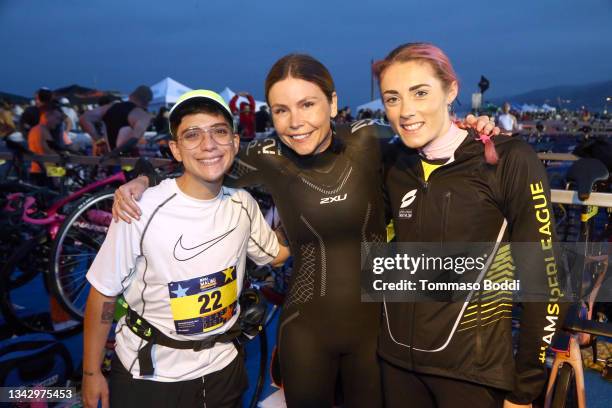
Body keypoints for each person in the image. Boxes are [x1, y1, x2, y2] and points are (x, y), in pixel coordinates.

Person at [112, 54, 497, 408]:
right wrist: (141, 179)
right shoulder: (269, 157)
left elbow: (425, 132)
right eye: (281, 110)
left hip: (378, 331)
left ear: (331, 103)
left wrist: (472, 127)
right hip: (306, 333)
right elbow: (202, 160)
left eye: (307, 104)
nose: (295, 122)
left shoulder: (367, 139)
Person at [375, 42, 565, 408]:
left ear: (451, 90)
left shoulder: (507, 160)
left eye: (420, 93)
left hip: (471, 375)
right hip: (394, 363)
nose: (406, 111)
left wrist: (525, 388)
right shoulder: (391, 164)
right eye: (392, 98)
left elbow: (545, 277)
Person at [82, 89, 289, 408]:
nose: (208, 145)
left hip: (224, 370)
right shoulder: (140, 209)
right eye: (192, 135)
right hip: (150, 377)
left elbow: (276, 254)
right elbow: (104, 294)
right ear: (176, 149)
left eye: (219, 132)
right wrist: (91, 372)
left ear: (234, 142)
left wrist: (306, 210)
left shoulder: (243, 205)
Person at [79, 85, 153, 155]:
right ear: (147, 102)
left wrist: (99, 142)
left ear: (131, 96)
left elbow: (84, 118)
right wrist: (115, 153)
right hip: (127, 160)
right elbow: (134, 140)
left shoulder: (110, 107)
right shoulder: (143, 116)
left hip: (109, 159)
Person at [27, 104, 64, 184]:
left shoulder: (35, 129)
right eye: (57, 118)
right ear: (47, 116)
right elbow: (48, 154)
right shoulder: (42, 131)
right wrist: (58, 177)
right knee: (69, 175)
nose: (58, 122)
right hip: (44, 173)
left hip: (37, 170)